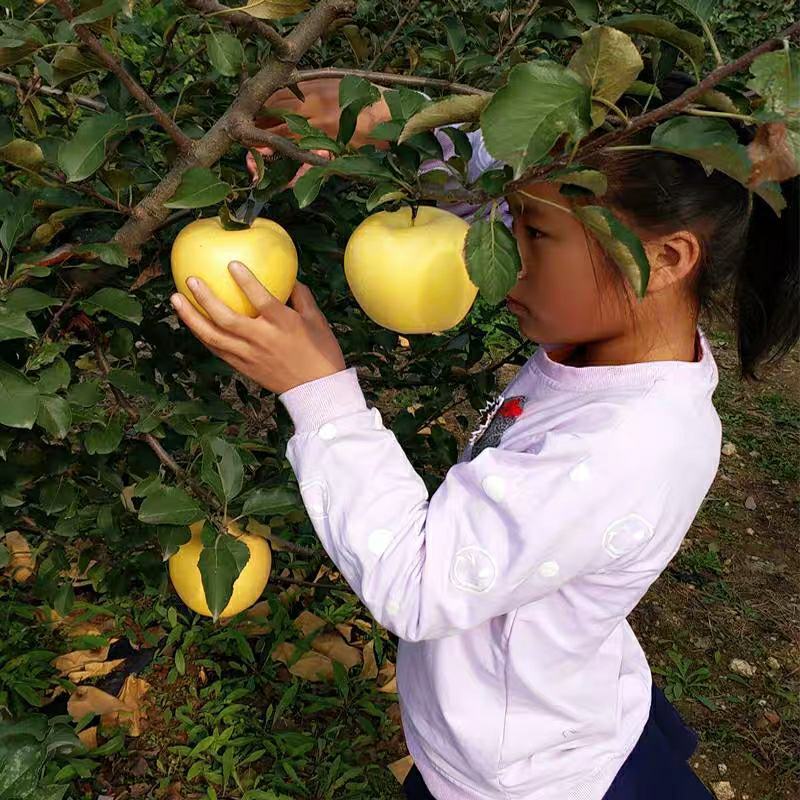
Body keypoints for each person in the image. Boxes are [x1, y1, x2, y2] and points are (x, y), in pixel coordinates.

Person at [169, 76, 800, 799]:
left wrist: (317, 393)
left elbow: (416, 583)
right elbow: (495, 176)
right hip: (533, 713)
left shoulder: (631, 447)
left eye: (532, 235)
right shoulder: (612, 337)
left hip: (522, 781)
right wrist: (381, 119)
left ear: (665, 258)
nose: (493, 247)